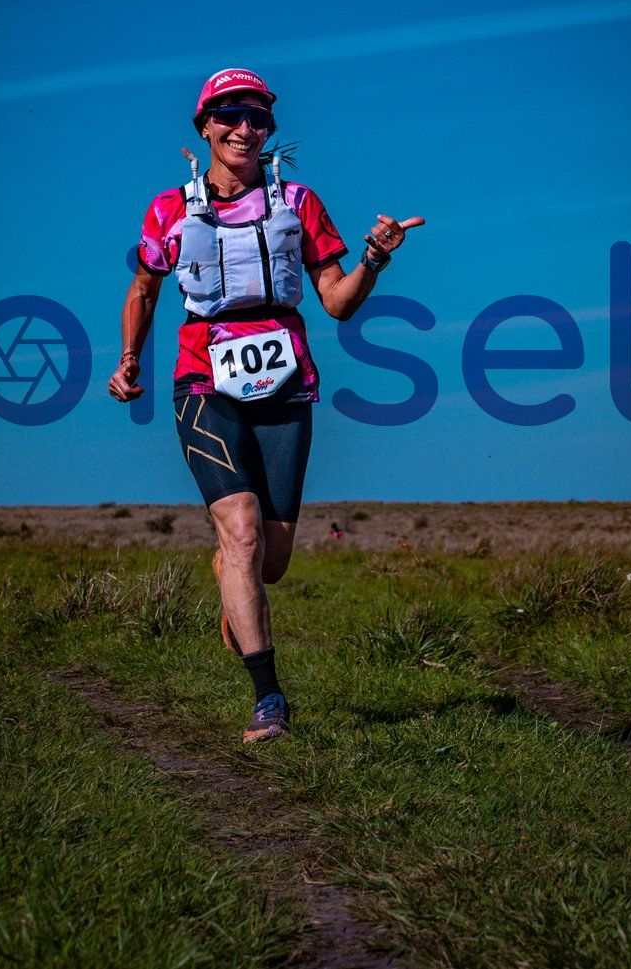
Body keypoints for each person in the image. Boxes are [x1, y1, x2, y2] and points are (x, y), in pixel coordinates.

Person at [108, 69, 424, 743]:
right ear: (204, 126)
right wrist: (129, 357)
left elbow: (336, 302)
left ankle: (234, 574)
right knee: (243, 528)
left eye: (256, 117)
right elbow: (144, 287)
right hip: (203, 381)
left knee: (269, 559)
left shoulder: (298, 202)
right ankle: (269, 700)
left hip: (287, 385)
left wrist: (374, 258)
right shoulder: (169, 209)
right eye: (229, 115)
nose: (244, 128)